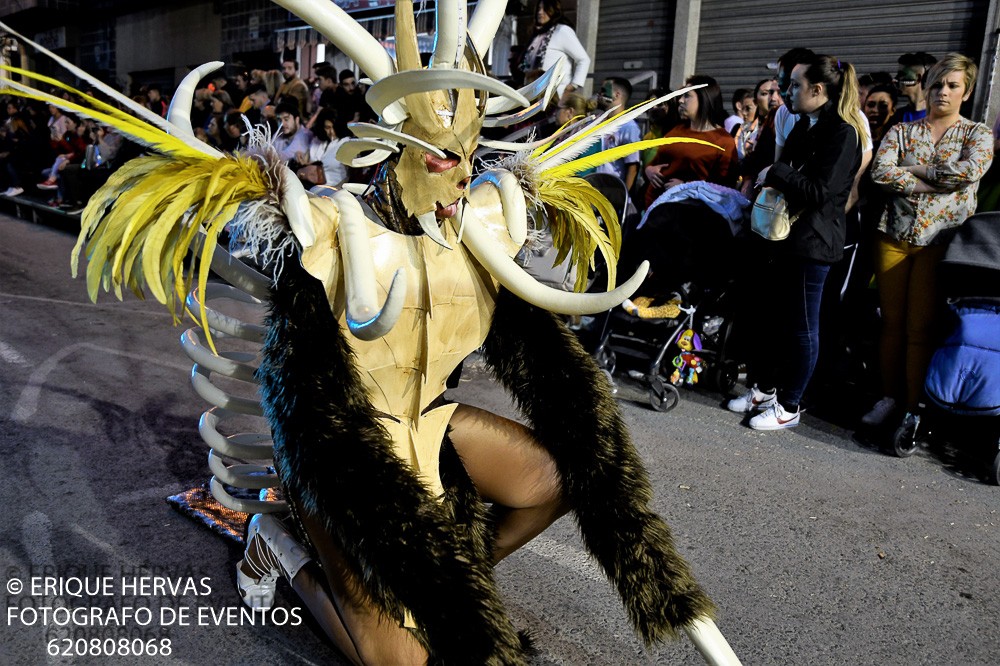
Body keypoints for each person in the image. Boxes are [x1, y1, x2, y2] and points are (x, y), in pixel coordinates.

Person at [727, 54, 865, 430]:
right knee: (774, 321)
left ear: (818, 90)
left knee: (803, 328)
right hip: (785, 238)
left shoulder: (843, 132)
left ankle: (789, 405)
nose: (786, 92)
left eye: (795, 85)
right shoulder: (807, 124)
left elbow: (822, 192)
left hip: (814, 244)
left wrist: (778, 171)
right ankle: (764, 389)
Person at [863, 54, 993, 427]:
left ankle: (913, 407)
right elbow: (881, 172)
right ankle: (889, 397)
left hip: (941, 242)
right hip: (894, 236)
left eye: (952, 85)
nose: (943, 92)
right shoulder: (904, 130)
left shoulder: (976, 134)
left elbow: (967, 173)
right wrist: (930, 181)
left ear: (965, 92)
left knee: (921, 327)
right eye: (936, 84)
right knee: (891, 322)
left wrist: (913, 170)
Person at [643, 74, 738, 208]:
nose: (680, 101)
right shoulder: (677, 130)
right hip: (655, 207)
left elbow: (724, 188)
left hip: (691, 214)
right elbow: (657, 161)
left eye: (687, 95)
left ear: (704, 98)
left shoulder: (723, 141)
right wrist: (649, 170)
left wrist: (687, 188)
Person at [518, 0, 590, 96]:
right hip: (534, 93)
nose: (540, 12)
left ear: (553, 11)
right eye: (539, 9)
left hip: (554, 95)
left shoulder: (562, 31)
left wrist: (573, 85)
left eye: (545, 9)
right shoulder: (537, 34)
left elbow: (583, 59)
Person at [593, 77, 642, 191]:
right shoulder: (598, 122)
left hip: (613, 190)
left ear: (617, 94)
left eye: (604, 91)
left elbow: (632, 166)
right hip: (594, 187)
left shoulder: (628, 126)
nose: (599, 94)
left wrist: (625, 197)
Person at [295, 107, 348, 187]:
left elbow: (350, 176)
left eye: (334, 127)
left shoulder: (346, 143)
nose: (332, 132)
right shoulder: (317, 141)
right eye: (327, 128)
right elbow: (304, 161)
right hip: (311, 187)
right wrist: (299, 156)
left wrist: (338, 189)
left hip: (334, 190)